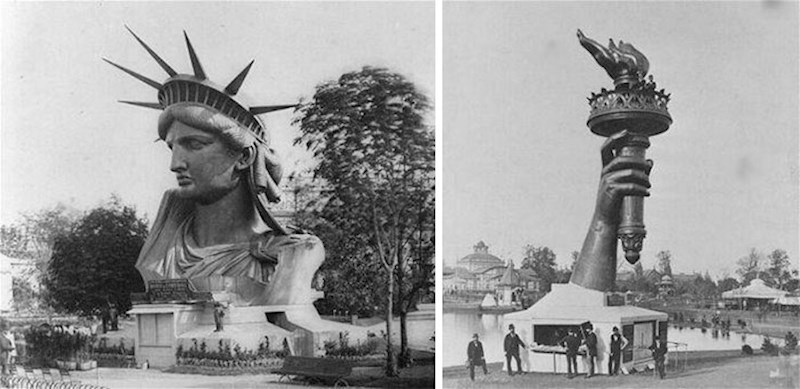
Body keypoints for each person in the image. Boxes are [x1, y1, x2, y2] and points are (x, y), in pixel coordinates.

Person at [108, 29, 323, 307]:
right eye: (172, 148)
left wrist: (297, 266)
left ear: (243, 157)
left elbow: (290, 320)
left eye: (194, 144)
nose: (175, 164)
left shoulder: (287, 255)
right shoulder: (161, 252)